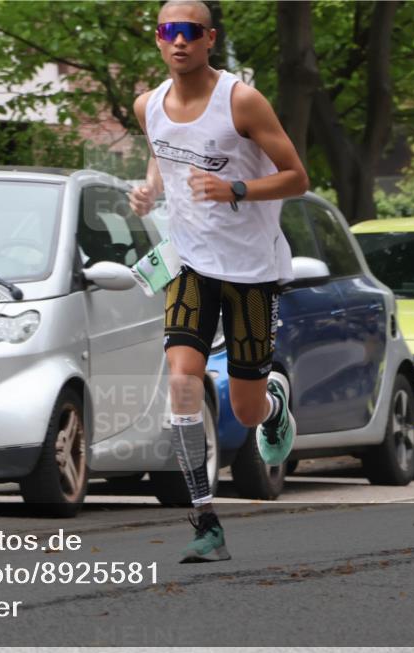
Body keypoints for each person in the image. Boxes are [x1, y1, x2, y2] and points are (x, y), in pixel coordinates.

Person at [128, 0, 309, 563]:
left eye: (188, 32)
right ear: (158, 41)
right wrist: (150, 188)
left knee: (248, 410)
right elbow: (165, 155)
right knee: (183, 382)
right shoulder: (147, 105)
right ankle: (206, 521)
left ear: (209, 38)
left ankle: (274, 404)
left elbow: (297, 178)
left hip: (251, 269)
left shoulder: (242, 100)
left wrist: (234, 190)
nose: (177, 41)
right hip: (189, 263)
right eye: (167, 32)